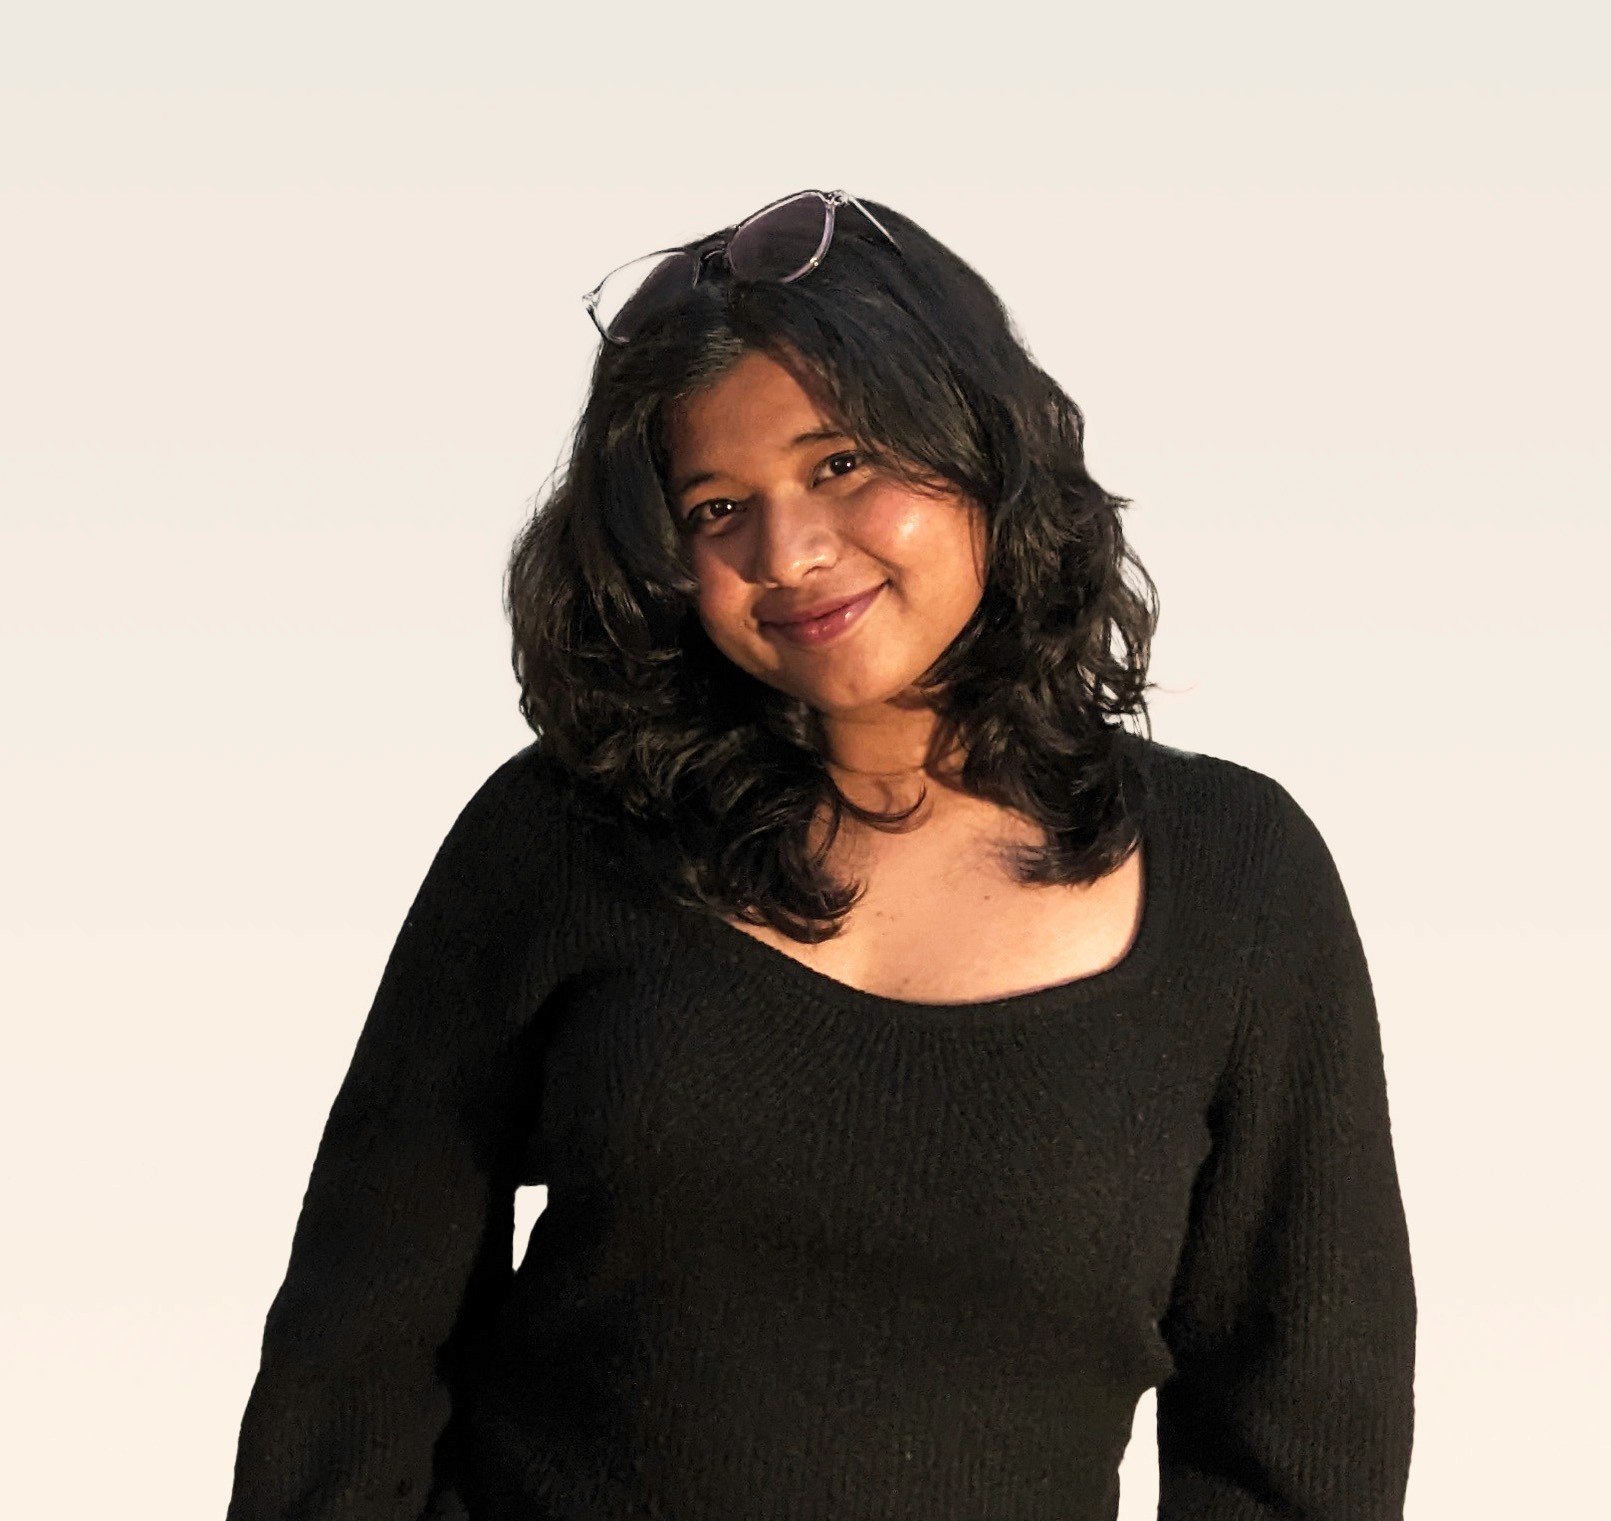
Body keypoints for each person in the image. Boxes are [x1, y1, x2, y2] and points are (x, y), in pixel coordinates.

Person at [223, 189, 1417, 1521]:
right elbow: (353, 1341)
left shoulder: (1239, 881)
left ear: (981, 442)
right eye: (716, 504)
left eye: (840, 463)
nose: (786, 552)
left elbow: (1301, 1443)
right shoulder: (563, 834)